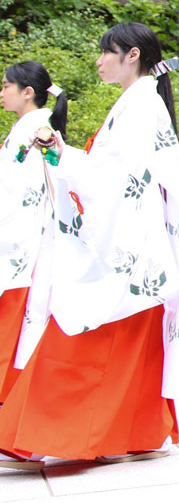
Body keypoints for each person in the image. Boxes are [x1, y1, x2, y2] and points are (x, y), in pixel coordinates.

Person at [0, 23, 179, 470]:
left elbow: (116, 181)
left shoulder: (141, 105)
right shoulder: (138, 102)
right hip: (133, 247)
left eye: (104, 52)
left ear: (131, 55)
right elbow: (108, 173)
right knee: (126, 357)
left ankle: (39, 434)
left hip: (125, 251)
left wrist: (61, 155)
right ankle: (137, 435)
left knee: (82, 345)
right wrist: (62, 153)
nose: (98, 60)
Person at [0, 62, 68, 401]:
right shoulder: (32, 127)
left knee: (15, 319)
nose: (1, 93)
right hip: (18, 235)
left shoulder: (38, 131)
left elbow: (35, 187)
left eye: (5, 86)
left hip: (23, 239)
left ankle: (9, 396)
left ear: (28, 92)